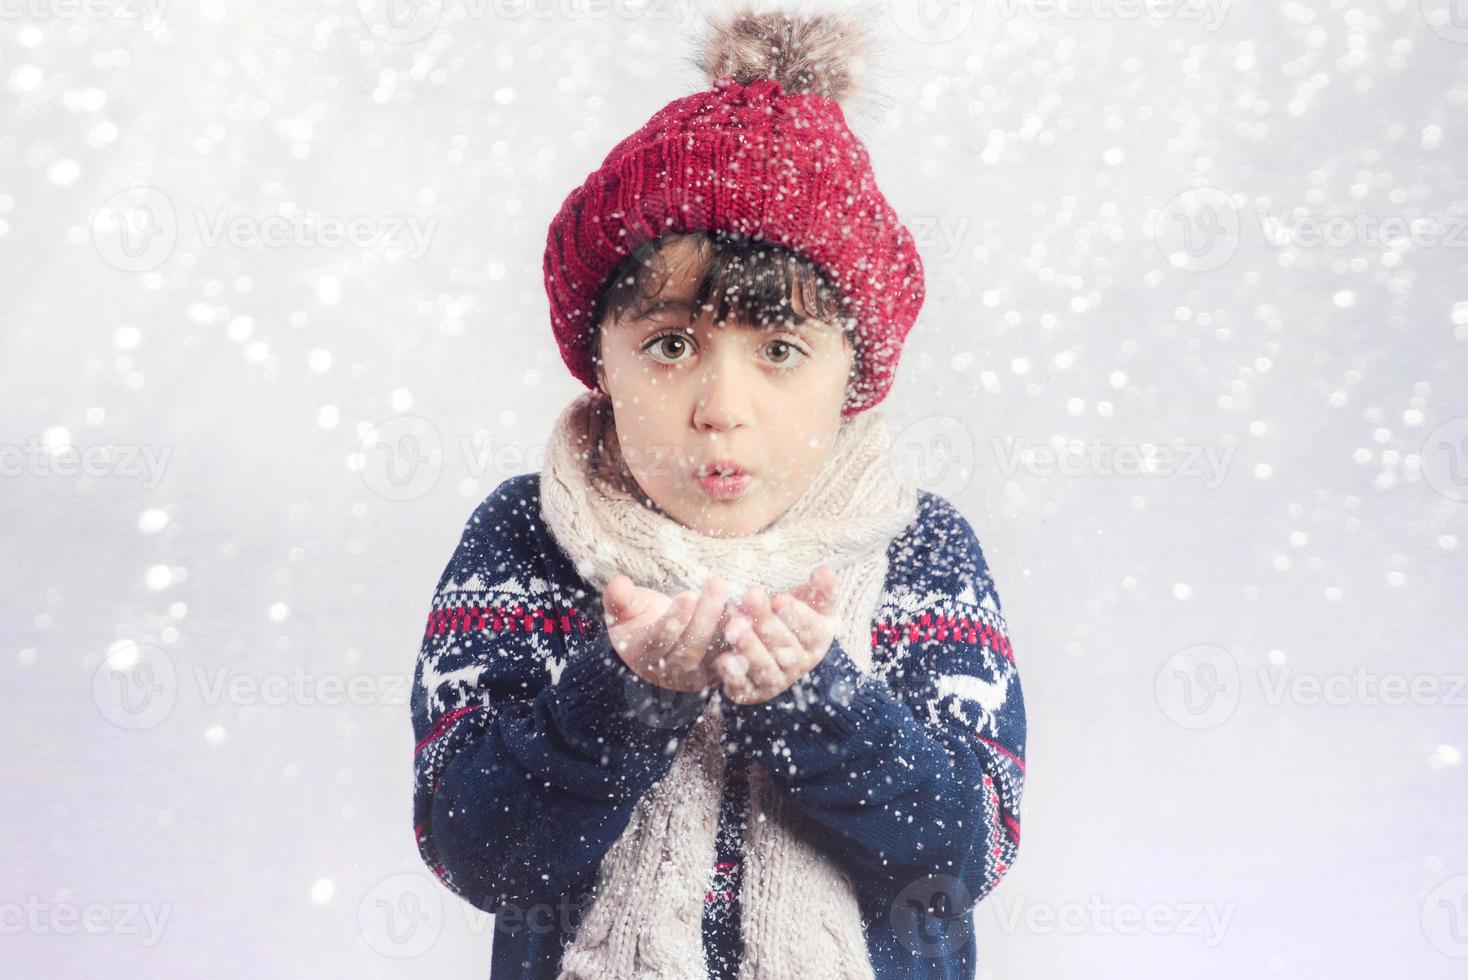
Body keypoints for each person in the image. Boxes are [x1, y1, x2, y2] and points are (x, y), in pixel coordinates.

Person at [410, 8, 1026, 979]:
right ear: (599, 362)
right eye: (669, 344)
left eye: (780, 351)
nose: (720, 407)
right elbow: (482, 851)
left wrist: (820, 707)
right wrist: (623, 697)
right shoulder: (528, 537)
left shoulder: (919, 549)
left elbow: (960, 851)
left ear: (852, 375)